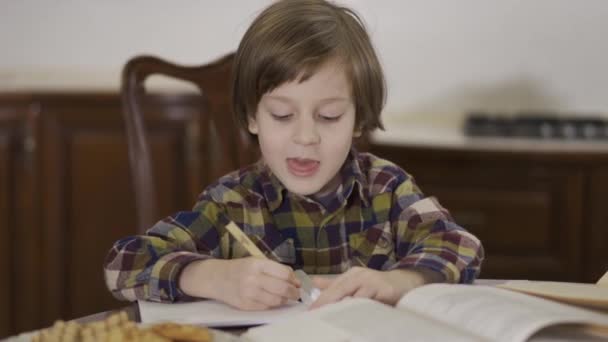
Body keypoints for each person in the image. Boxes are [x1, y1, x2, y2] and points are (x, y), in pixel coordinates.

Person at [104, 0, 484, 311]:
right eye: (282, 115)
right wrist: (213, 276)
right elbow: (122, 265)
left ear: (357, 119)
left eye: (329, 116)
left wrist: (396, 282)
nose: (305, 137)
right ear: (253, 116)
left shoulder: (386, 188)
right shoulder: (230, 203)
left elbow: (461, 246)